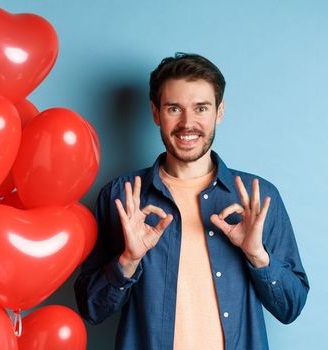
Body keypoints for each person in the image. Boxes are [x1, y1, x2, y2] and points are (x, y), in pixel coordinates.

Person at [74, 52, 309, 350]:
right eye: (174, 108)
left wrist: (258, 256)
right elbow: (92, 309)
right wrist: (128, 261)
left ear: (219, 112)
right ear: (156, 113)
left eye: (201, 108)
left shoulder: (258, 197)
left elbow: (291, 307)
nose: (188, 123)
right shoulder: (121, 197)